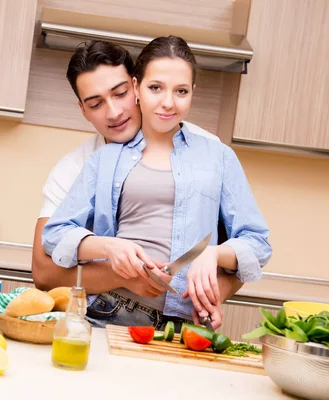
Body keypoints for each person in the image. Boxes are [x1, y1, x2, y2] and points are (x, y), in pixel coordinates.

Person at [41, 36, 272, 331]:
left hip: (190, 323)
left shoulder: (219, 157)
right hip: (111, 311)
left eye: (181, 91)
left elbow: (258, 243)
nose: (168, 102)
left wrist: (212, 254)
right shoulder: (106, 158)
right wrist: (108, 247)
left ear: (192, 93)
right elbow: (55, 234)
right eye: (155, 88)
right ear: (137, 88)